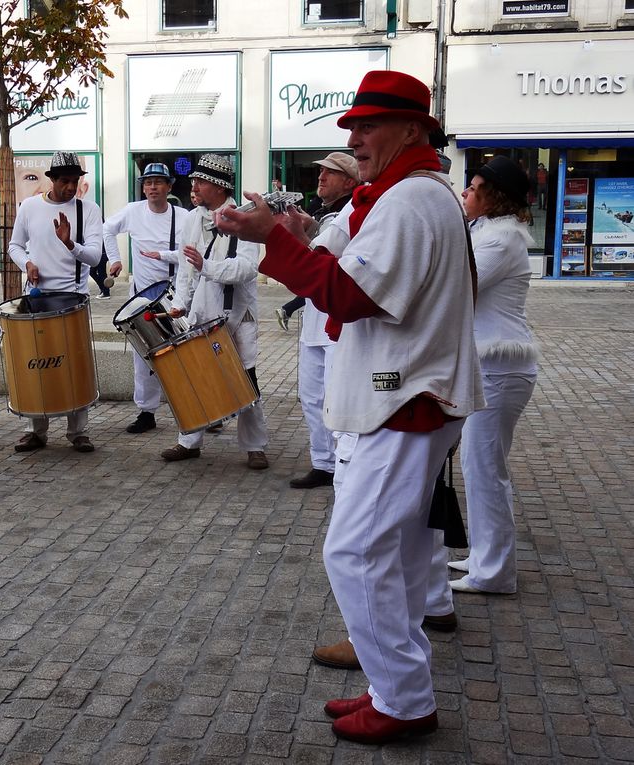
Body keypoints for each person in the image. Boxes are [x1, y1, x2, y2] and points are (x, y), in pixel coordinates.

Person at [216, 70, 482, 745]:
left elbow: (346, 293)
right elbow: (346, 269)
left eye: (370, 124)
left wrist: (275, 240)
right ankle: (394, 686)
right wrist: (292, 232)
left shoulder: (410, 199)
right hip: (402, 395)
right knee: (379, 552)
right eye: (352, 125)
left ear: (415, 129)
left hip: (403, 399)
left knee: (356, 552)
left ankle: (403, 698)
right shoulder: (400, 193)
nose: (355, 136)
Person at [449, 156, 539, 596]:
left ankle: (496, 570)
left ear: (494, 196)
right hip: (490, 364)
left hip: (500, 365)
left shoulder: (500, 239)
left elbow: (458, 286)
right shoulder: (485, 232)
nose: (466, 192)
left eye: (475, 186)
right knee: (477, 465)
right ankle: (485, 555)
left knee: (485, 468)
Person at [161, 153, 269, 471]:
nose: (193, 186)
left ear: (218, 187)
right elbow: (185, 266)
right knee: (194, 374)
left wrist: (207, 266)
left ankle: (255, 446)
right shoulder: (194, 218)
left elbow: (248, 267)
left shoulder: (244, 215)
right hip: (203, 311)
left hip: (239, 314)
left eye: (200, 181)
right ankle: (189, 441)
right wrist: (180, 301)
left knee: (245, 380)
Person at [7, 150, 103, 453]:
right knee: (37, 363)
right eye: (65, 181)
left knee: (75, 361)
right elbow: (14, 246)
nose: (71, 187)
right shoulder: (30, 207)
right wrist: (27, 264)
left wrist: (69, 243)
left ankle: (78, 431)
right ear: (52, 180)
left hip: (73, 296)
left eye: (75, 181)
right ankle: (35, 429)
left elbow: (95, 256)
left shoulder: (88, 210)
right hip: (38, 296)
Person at [279, 152, 360, 490]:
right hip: (314, 319)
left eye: (331, 173)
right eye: (321, 172)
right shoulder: (322, 212)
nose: (322, 178)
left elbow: (324, 259)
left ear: (350, 181)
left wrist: (300, 233)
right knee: (311, 396)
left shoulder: (354, 211)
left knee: (338, 396)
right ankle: (323, 462)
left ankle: (345, 465)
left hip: (338, 320)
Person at [103, 162, 191, 434]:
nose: (152, 187)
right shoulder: (133, 210)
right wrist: (115, 260)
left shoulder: (184, 216)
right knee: (144, 356)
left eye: (158, 182)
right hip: (141, 297)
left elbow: (192, 253)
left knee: (185, 354)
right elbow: (108, 229)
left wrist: (164, 255)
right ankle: (147, 411)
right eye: (148, 182)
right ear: (143, 187)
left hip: (174, 295)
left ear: (169, 186)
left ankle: (196, 406)